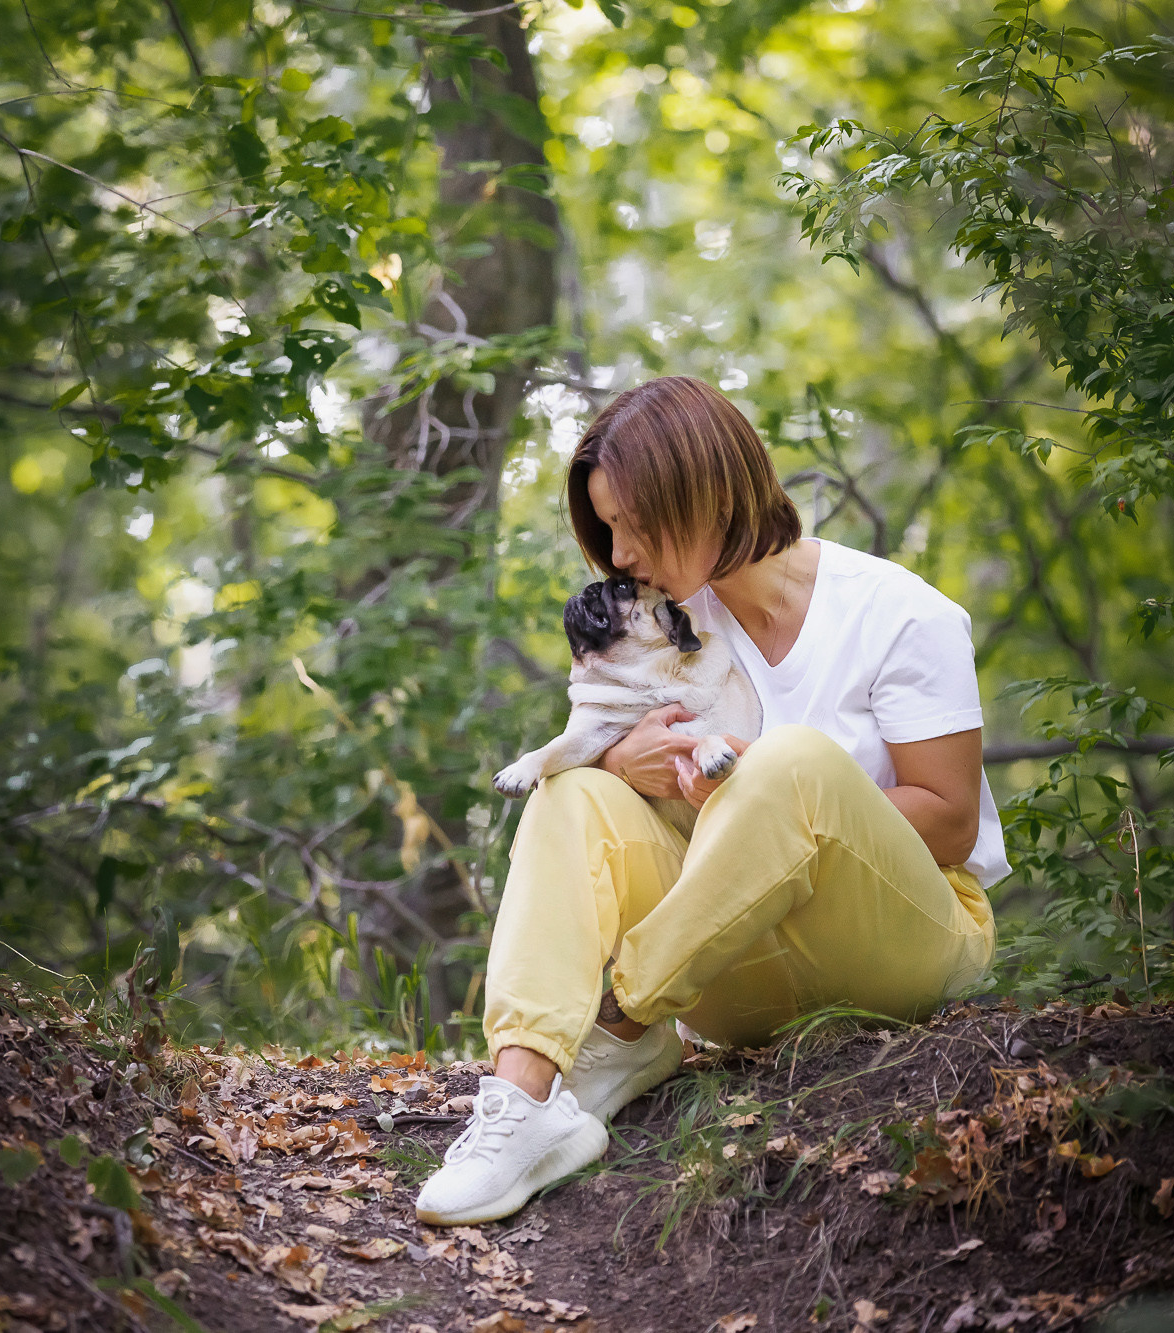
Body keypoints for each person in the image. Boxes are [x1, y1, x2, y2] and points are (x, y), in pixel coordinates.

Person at [415, 376, 1006, 1226]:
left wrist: (771, 794)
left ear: (706, 490)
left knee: (789, 763)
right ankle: (522, 1102)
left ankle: (619, 1021)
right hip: (731, 973)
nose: (618, 555)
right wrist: (628, 761)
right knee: (570, 785)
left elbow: (950, 821)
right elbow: (598, 750)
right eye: (607, 528)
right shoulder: (662, 622)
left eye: (632, 522)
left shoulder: (900, 613)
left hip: (901, 946)